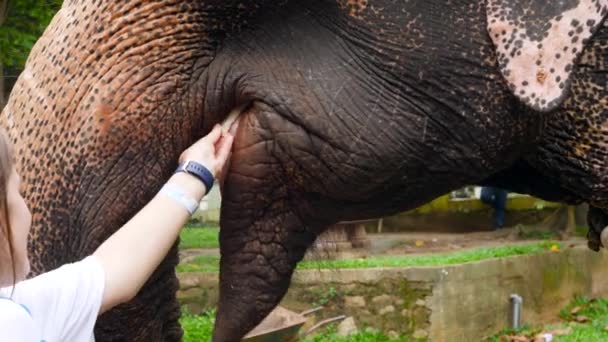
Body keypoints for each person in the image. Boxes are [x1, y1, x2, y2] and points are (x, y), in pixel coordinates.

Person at [0, 123, 235, 341]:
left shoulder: (17, 303)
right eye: (18, 192)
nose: (27, 208)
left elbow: (111, 271)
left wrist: (195, 172)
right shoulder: (13, 323)